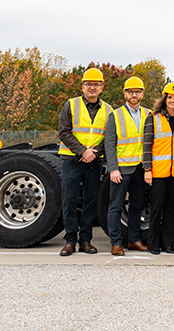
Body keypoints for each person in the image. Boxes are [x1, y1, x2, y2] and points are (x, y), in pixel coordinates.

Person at [57, 68, 112, 257]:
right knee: (69, 200)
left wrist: (94, 154)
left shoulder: (108, 109)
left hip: (93, 163)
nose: (92, 87)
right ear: (82, 86)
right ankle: (70, 240)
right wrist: (82, 151)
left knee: (91, 202)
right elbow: (63, 132)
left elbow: (110, 137)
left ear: (102, 88)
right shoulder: (70, 105)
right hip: (72, 160)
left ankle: (86, 241)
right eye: (89, 84)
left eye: (96, 84)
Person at [103, 76, 150, 256]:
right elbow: (110, 144)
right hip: (121, 170)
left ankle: (133, 240)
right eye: (131, 92)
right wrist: (113, 168)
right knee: (115, 206)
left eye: (137, 92)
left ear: (142, 94)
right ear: (125, 94)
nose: (134, 95)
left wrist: (148, 168)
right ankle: (116, 243)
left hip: (140, 168)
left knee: (136, 206)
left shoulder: (148, 114)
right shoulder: (115, 115)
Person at [143, 82, 174, 255]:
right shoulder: (153, 118)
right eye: (170, 97)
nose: (172, 100)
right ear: (165, 99)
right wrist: (147, 169)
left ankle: (168, 244)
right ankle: (153, 244)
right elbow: (146, 145)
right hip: (158, 172)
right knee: (156, 208)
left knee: (172, 209)